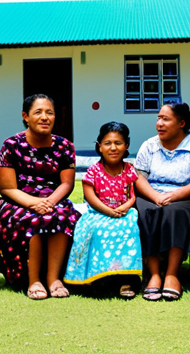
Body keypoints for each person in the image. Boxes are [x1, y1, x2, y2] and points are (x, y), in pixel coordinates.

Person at [0, 94, 81, 300]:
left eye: (49, 113)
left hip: (54, 199)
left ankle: (53, 278)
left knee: (62, 216)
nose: (45, 117)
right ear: (25, 116)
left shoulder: (65, 146)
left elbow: (67, 183)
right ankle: (33, 280)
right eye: (38, 112)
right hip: (18, 200)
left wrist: (49, 202)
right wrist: (33, 203)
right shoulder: (11, 145)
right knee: (32, 218)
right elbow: (7, 188)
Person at [134, 102, 190, 301]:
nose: (159, 123)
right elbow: (138, 177)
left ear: (181, 123)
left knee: (174, 212)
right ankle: (154, 275)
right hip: (152, 194)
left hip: (184, 197)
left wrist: (173, 196)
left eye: (165, 119)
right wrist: (155, 196)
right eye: (158, 118)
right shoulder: (149, 146)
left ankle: (172, 274)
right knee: (145, 211)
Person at [64, 122, 143, 298]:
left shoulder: (129, 170)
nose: (113, 148)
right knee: (94, 230)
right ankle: (95, 276)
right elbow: (89, 195)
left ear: (127, 146)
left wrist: (123, 207)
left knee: (129, 229)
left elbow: (132, 195)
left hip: (124, 212)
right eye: (107, 143)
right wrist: (107, 211)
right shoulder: (94, 171)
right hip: (97, 211)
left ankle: (126, 278)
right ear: (99, 147)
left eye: (118, 143)